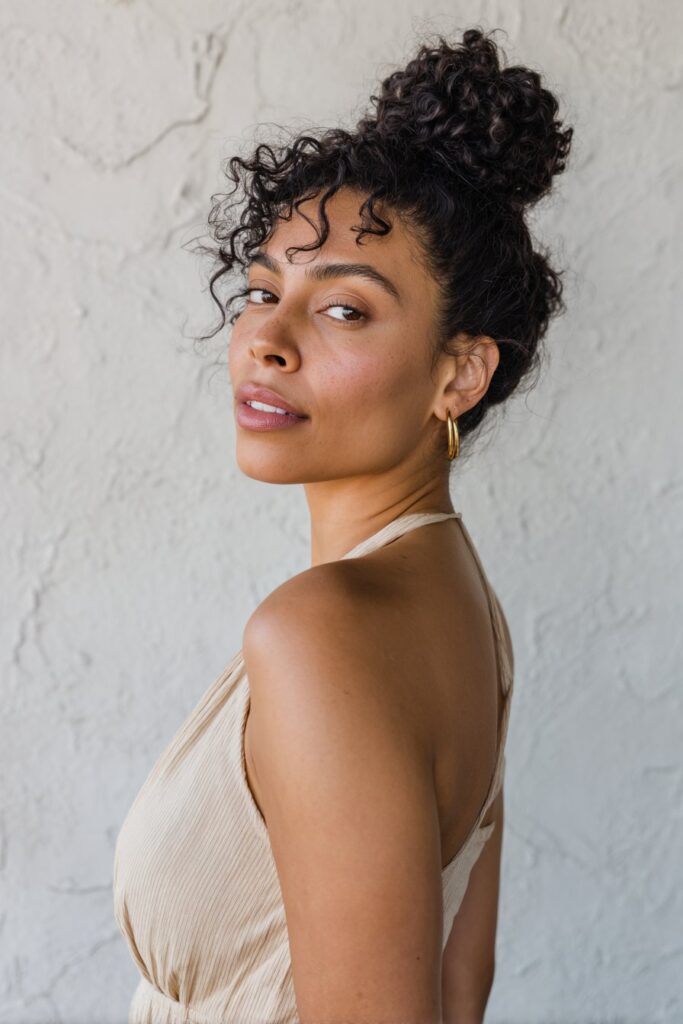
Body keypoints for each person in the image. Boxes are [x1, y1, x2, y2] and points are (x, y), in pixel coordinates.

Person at [113, 25, 573, 1024]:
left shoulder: (321, 631)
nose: (266, 342)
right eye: (265, 291)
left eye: (345, 310)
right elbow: (459, 988)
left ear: (458, 373)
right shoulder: (459, 604)